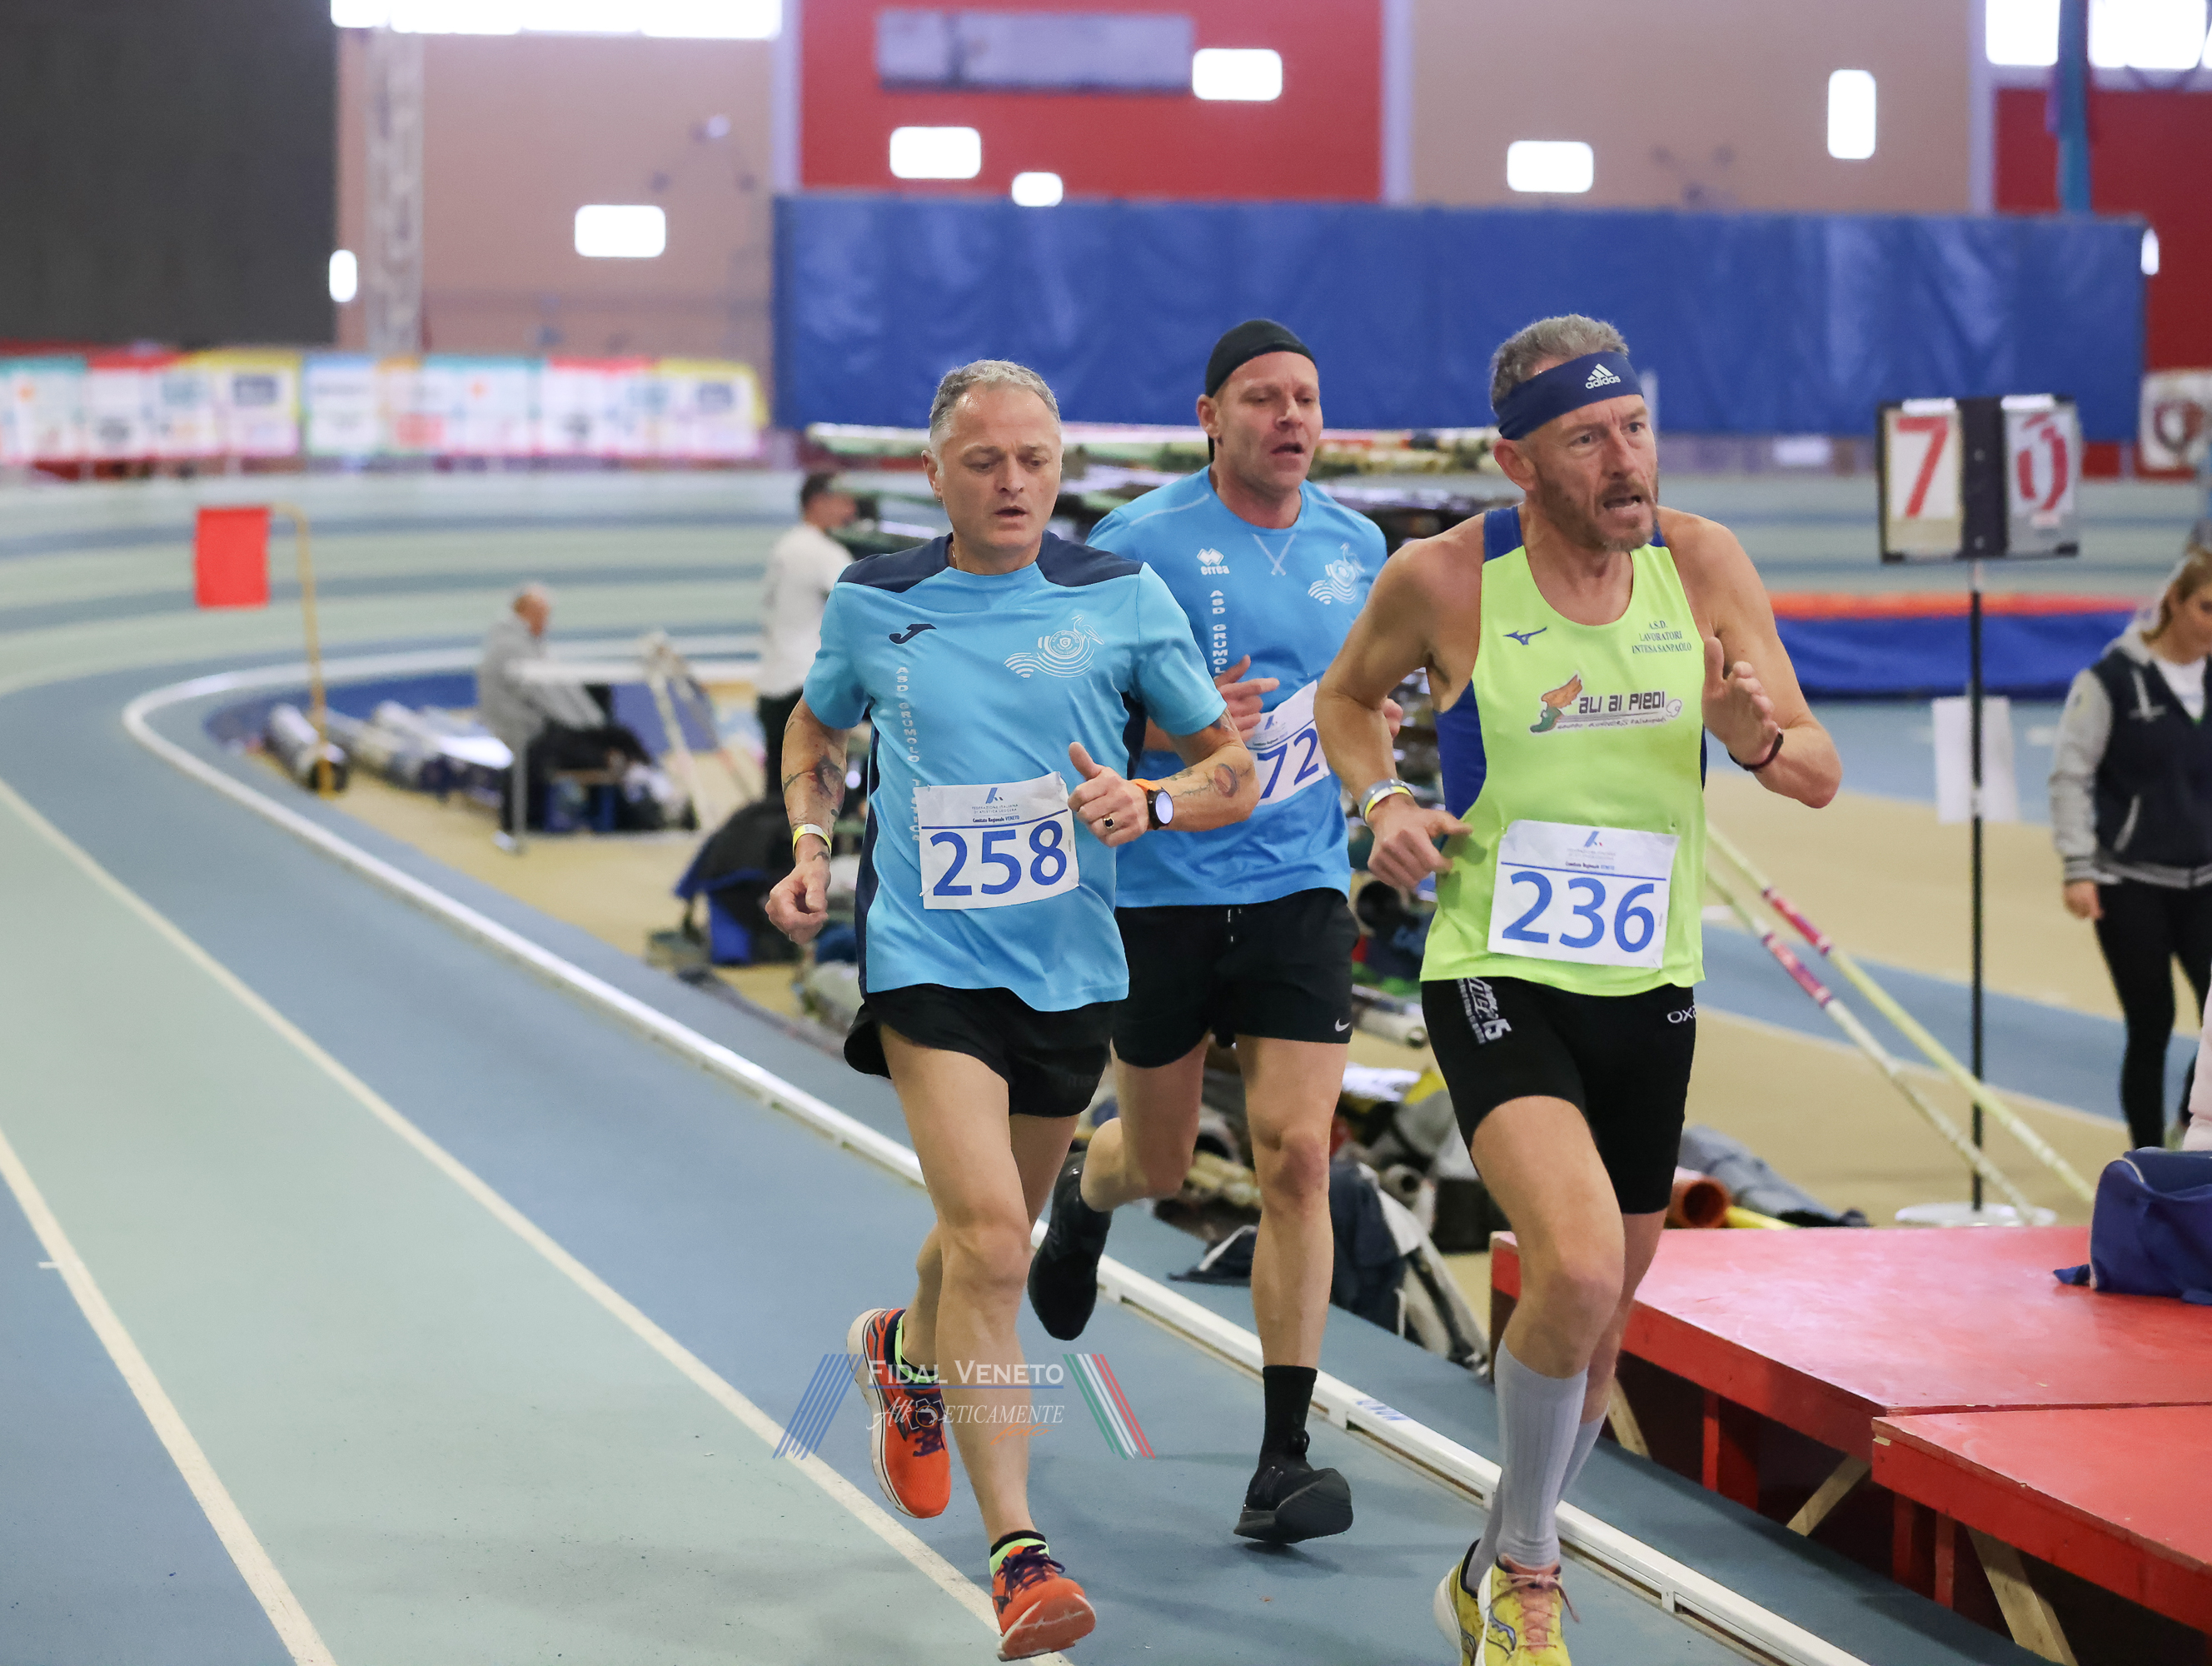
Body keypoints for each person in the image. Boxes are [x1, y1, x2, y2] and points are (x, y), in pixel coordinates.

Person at [1315, 315, 1839, 1666]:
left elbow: (1815, 769)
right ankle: (1531, 1570)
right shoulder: (1446, 578)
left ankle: (1489, 1560)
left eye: (1636, 428)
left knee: (1604, 1323)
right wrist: (1382, 804)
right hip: (1496, 967)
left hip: (1649, 984)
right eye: (1588, 438)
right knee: (1583, 1261)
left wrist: (1755, 738)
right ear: (1519, 463)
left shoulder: (1701, 562)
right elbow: (1345, 702)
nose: (1625, 461)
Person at [765, 360, 1258, 1660]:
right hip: (928, 960)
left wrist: (1152, 801)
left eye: (1034, 459)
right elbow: (813, 733)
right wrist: (810, 844)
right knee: (992, 1242)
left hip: (1070, 970)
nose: (1012, 483)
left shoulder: (1123, 598)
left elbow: (1233, 771)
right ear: (935, 474)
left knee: (986, 1237)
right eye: (983, 461)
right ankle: (1019, 1556)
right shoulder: (876, 601)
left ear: (1060, 467)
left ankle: (901, 1353)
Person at [1024, 318, 1389, 1546]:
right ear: (1211, 416)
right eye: (1263, 398)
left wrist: (1373, 756)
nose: (1290, 418)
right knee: (1163, 1163)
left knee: (1297, 1156)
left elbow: (1365, 698)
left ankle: (1283, 1458)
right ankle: (1089, 1188)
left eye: (1307, 398)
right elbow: (1060, 708)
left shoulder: (1359, 548)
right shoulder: (1138, 543)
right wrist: (1169, 723)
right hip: (1163, 888)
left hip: (1299, 888)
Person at [2050, 532, 2212, 1150]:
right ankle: (2147, 1161)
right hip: (2130, 882)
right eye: (2207, 608)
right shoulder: (2110, 680)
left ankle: (2186, 1131)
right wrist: (2078, 866)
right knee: (2152, 1023)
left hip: (2205, 879)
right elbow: (2071, 774)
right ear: (2174, 602)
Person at [475, 582, 649, 845]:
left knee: (611, 731)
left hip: (527, 728)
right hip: (528, 732)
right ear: (529, 613)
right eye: (544, 615)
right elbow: (550, 698)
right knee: (616, 737)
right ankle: (645, 792)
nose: (548, 623)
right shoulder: (514, 647)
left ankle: (636, 787)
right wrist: (593, 725)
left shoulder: (517, 642)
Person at [756, 473, 859, 793]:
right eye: (845, 502)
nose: (852, 512)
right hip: (806, 687)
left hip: (774, 686)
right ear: (818, 502)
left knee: (780, 797)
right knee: (817, 799)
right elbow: (863, 606)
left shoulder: (786, 546)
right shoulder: (823, 552)